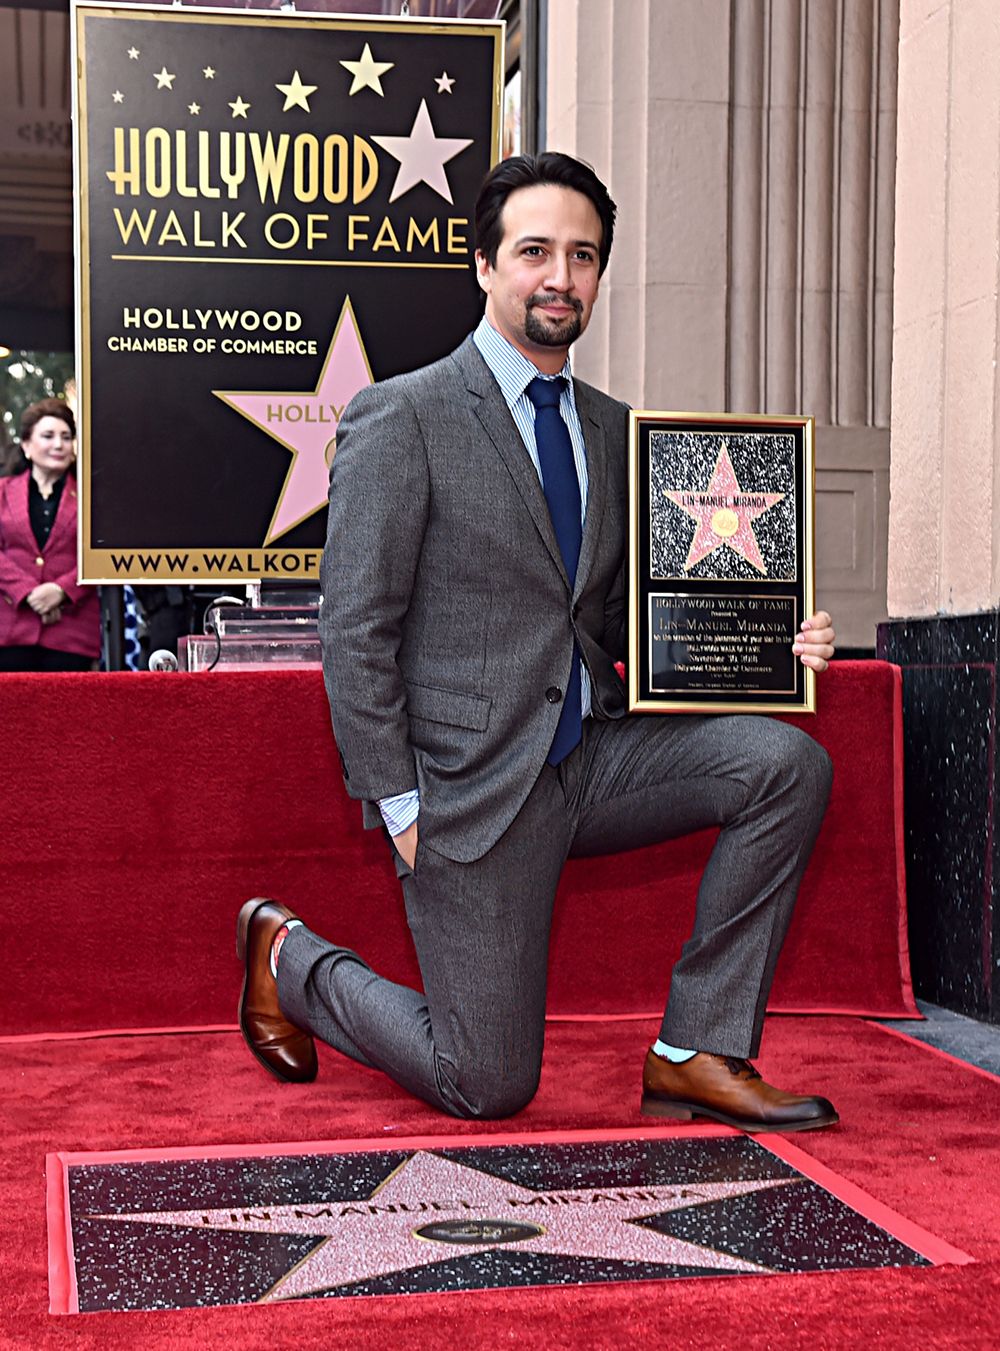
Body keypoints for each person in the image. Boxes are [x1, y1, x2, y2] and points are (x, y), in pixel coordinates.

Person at [237, 153, 839, 1132]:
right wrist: (398, 805)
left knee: (781, 763)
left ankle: (696, 1048)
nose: (560, 275)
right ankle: (289, 962)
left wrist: (774, 639)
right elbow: (354, 627)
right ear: (485, 265)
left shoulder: (617, 431)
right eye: (534, 251)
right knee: (485, 1081)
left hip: (591, 756)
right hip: (466, 788)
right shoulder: (404, 414)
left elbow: (614, 623)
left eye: (584, 255)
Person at [0, 399, 100, 672]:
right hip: (9, 630)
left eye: (66, 437)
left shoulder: (92, 496)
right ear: (27, 446)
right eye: (48, 436)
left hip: (72, 633)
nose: (59, 445)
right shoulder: (3, 491)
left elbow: (102, 553)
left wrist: (62, 591)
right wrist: (28, 592)